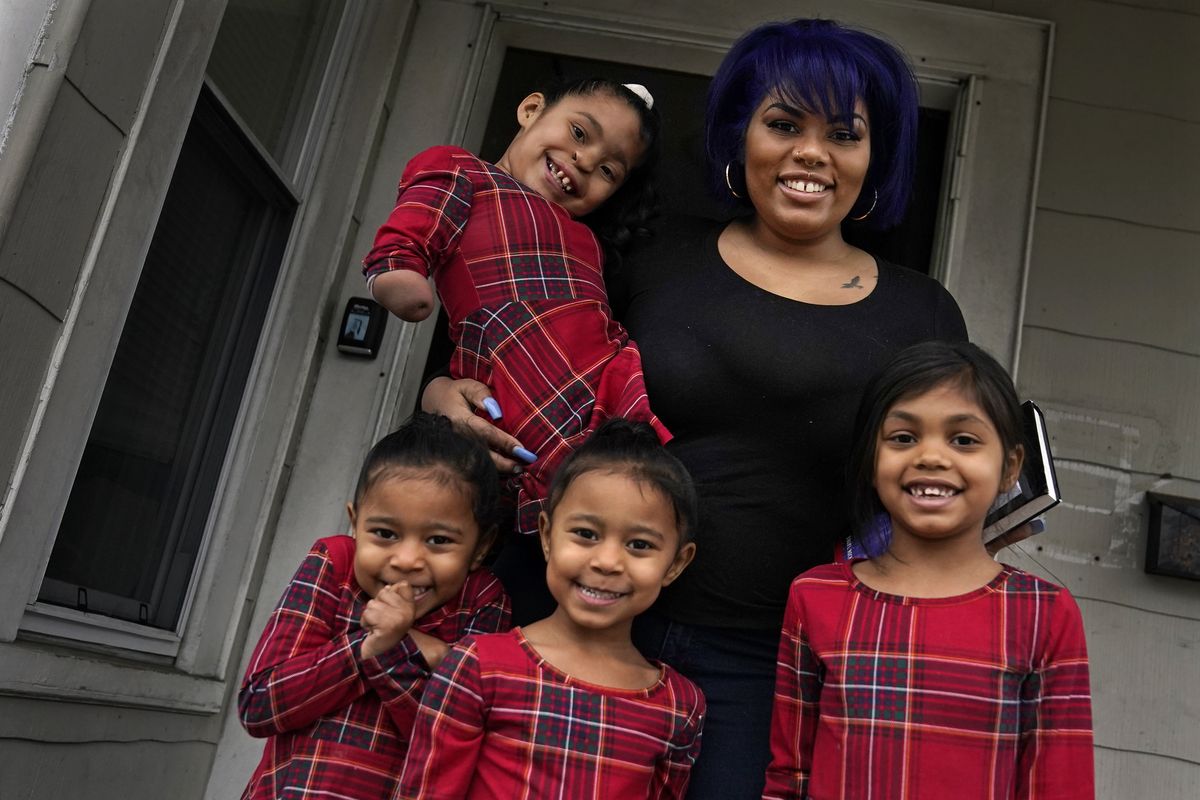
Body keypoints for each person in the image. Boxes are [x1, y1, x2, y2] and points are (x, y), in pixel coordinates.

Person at [424, 19, 970, 797]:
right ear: (740, 136)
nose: (810, 153)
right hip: (564, 609)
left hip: (753, 658)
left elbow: (934, 485)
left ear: (873, 154)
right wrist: (442, 391)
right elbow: (514, 330)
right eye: (783, 125)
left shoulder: (922, 314)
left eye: (843, 133)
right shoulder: (648, 246)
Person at [763, 340, 1094, 798]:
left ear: (1010, 466)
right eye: (903, 437)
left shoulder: (1044, 613)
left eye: (964, 439)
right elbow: (789, 776)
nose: (932, 457)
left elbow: (1060, 785)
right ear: (869, 459)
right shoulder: (816, 596)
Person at [362, 78, 668, 538]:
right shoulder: (465, 171)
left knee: (626, 476)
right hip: (508, 372)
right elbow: (420, 215)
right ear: (530, 110)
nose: (584, 161)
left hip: (604, 378)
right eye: (580, 134)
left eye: (609, 170)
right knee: (524, 485)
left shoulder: (590, 242)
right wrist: (399, 268)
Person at [396, 420, 706, 799]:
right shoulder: (478, 667)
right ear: (546, 536)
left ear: (676, 563)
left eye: (639, 544)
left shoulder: (678, 706)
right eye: (586, 534)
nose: (607, 561)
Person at [238, 413, 511, 799]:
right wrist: (372, 646)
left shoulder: (483, 599)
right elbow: (259, 704)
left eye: (438, 540)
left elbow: (453, 745)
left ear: (481, 546)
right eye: (384, 534)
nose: (406, 560)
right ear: (355, 523)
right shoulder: (336, 564)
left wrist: (392, 651)